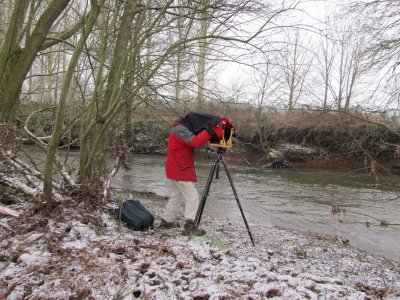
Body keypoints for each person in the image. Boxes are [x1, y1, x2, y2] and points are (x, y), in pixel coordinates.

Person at [159, 113, 224, 235]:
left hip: (176, 168)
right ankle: (190, 226)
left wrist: (208, 130)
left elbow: (194, 140)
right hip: (179, 169)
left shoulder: (179, 128)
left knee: (176, 195)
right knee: (192, 197)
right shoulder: (180, 130)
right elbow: (196, 141)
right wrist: (211, 129)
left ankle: (167, 221)